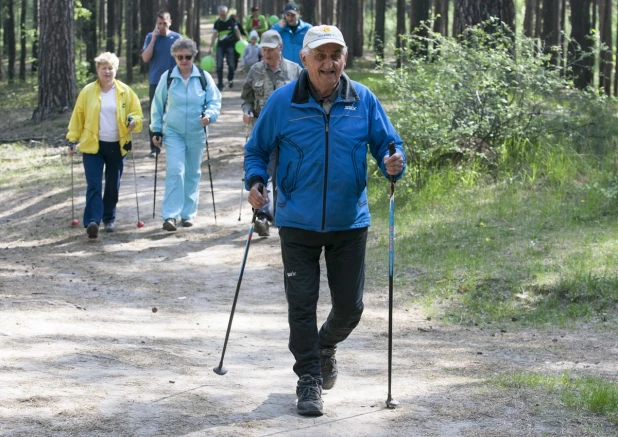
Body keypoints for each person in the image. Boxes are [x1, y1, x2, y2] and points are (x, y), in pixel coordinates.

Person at [244, 25, 406, 416]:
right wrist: (254, 181)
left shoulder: (363, 100)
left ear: (344, 59)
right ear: (304, 60)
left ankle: (324, 345)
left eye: (335, 55)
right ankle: (309, 379)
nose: (329, 63)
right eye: (321, 56)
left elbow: (390, 146)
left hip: (348, 222)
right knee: (301, 305)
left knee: (350, 308)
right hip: (297, 222)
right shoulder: (283, 103)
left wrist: (394, 165)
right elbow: (256, 151)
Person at [66, 52, 143, 239]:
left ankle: (109, 218)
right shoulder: (87, 92)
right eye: (103, 68)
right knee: (93, 184)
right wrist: (72, 139)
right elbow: (78, 117)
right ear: (97, 70)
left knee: (112, 185)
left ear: (115, 70)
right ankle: (93, 221)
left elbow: (137, 114)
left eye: (110, 68)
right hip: (93, 146)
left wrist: (134, 122)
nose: (107, 71)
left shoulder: (125, 91)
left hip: (117, 145)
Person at [150, 38, 222, 231]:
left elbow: (215, 101)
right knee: (175, 170)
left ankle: (188, 214)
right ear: (174, 57)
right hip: (173, 132)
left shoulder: (203, 77)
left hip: (197, 131)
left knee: (192, 172)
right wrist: (156, 129)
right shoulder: (168, 78)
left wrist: (209, 116)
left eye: (187, 57)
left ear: (193, 56)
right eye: (179, 57)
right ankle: (170, 216)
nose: (183, 60)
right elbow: (157, 105)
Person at [240, 29, 302, 237]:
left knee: (282, 175)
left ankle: (282, 216)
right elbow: (246, 98)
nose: (266, 53)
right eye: (263, 49)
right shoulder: (255, 71)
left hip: (288, 134)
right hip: (262, 131)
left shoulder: (295, 71)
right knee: (260, 173)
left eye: (270, 49)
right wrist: (247, 111)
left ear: (280, 48)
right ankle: (262, 216)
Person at [141, 11, 181, 158]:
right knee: (155, 114)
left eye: (165, 23)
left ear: (170, 22)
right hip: (156, 82)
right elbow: (145, 58)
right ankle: (155, 147)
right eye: (159, 24)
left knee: (173, 113)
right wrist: (153, 40)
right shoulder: (150, 37)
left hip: (174, 81)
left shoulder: (176, 38)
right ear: (156, 24)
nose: (162, 26)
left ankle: (173, 144)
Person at [209, 5, 242, 91]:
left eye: (224, 14)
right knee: (219, 65)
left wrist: (241, 41)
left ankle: (230, 79)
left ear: (226, 13)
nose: (223, 16)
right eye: (221, 14)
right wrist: (210, 47)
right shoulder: (217, 22)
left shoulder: (231, 20)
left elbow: (237, 31)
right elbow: (214, 35)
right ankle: (220, 84)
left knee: (231, 65)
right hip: (220, 46)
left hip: (230, 46)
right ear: (219, 14)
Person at [269, 2, 312, 67]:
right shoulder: (278, 27)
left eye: (292, 15)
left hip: (303, 68)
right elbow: (269, 38)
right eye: (287, 15)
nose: (290, 18)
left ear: (298, 14)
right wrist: (279, 28)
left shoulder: (307, 28)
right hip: (284, 68)